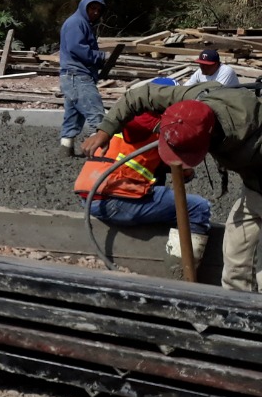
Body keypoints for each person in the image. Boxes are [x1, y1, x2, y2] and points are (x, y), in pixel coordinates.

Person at [83, 83, 262, 292]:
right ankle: (234, 303)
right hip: (253, 189)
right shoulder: (195, 101)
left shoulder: (252, 137)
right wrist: (106, 129)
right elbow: (140, 95)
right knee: (235, 251)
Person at [75, 111, 211, 269]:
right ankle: (181, 270)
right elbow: (183, 169)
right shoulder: (153, 125)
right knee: (197, 208)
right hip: (115, 199)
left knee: (162, 192)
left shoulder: (122, 122)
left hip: (90, 196)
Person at [59, 0, 108, 156]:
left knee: (73, 116)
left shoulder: (81, 23)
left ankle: (66, 148)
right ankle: (101, 153)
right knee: (97, 114)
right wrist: (100, 57)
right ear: (84, 7)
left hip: (72, 76)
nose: (95, 12)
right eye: (92, 8)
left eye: (98, 10)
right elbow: (77, 48)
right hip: (78, 76)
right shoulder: (76, 23)